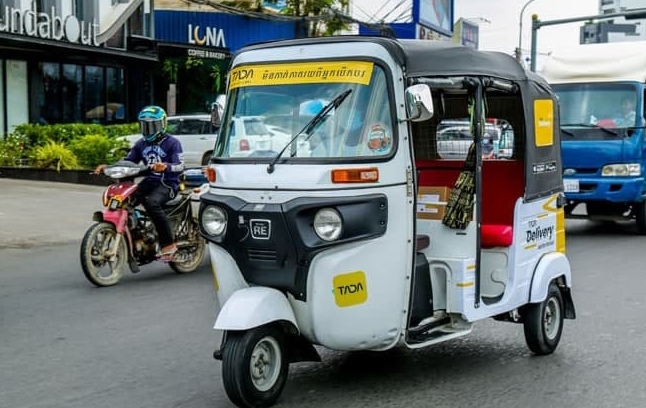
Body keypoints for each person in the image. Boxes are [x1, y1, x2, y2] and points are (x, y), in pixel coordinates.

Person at [95, 105, 185, 262]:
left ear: (162, 125)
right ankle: (137, 233)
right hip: (149, 181)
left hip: (168, 184)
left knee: (151, 203)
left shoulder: (172, 143)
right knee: (124, 200)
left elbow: (180, 165)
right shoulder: (140, 144)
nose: (148, 130)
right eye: (145, 126)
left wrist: (166, 166)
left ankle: (168, 244)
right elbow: (128, 162)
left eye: (153, 125)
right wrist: (108, 167)